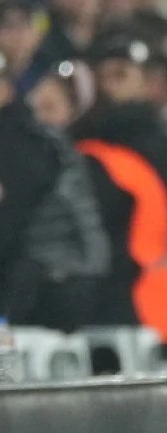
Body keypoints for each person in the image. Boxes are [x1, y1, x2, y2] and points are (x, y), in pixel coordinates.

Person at [0, 52, 107, 329]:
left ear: (4, 89)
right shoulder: (19, 136)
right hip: (63, 280)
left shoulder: (16, 142)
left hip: (44, 288)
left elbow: (1, 231)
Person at [73, 33, 167, 335]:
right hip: (110, 290)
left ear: (148, 83)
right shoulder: (83, 143)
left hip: (139, 292)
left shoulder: (155, 148)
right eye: (102, 77)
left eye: (121, 75)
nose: (109, 86)